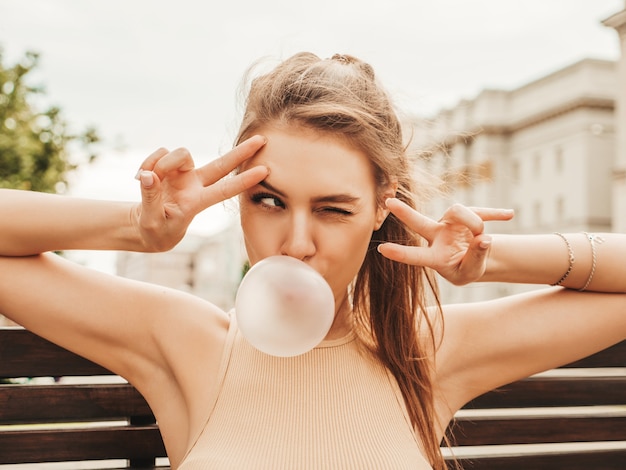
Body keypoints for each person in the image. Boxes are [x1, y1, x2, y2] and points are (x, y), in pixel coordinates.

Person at [0, 52, 625, 470]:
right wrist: (137, 230)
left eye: (332, 209)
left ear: (383, 209)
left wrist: (489, 261)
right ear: (237, 196)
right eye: (269, 200)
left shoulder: (426, 353)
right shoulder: (184, 342)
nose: (296, 242)